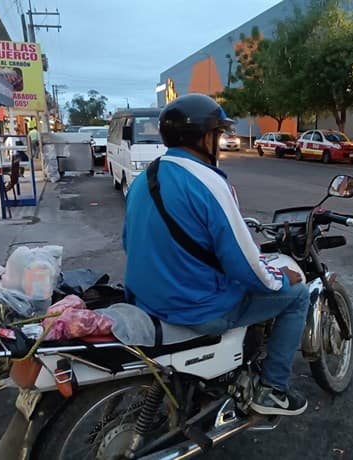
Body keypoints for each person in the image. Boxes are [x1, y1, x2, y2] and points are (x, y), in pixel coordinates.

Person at [123, 94, 309, 416]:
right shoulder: (209, 182)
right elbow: (244, 262)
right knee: (298, 295)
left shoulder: (145, 178)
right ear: (204, 136)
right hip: (197, 310)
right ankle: (272, 389)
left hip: (146, 301)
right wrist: (279, 279)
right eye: (218, 134)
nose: (220, 142)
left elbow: (129, 242)